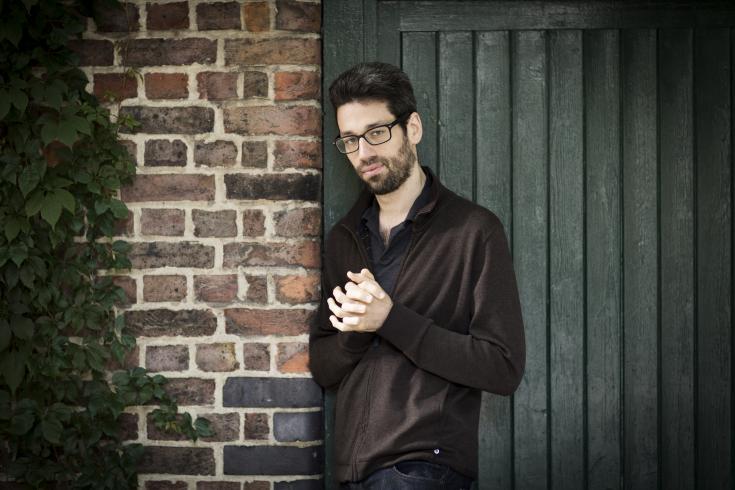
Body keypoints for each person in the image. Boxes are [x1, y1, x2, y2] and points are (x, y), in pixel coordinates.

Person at [308, 62, 526, 490]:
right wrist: (356, 333)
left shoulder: (473, 231)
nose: (363, 153)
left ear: (413, 128)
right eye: (350, 140)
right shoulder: (345, 238)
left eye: (376, 133)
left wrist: (389, 320)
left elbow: (503, 367)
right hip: (351, 472)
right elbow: (323, 366)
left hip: (427, 470)